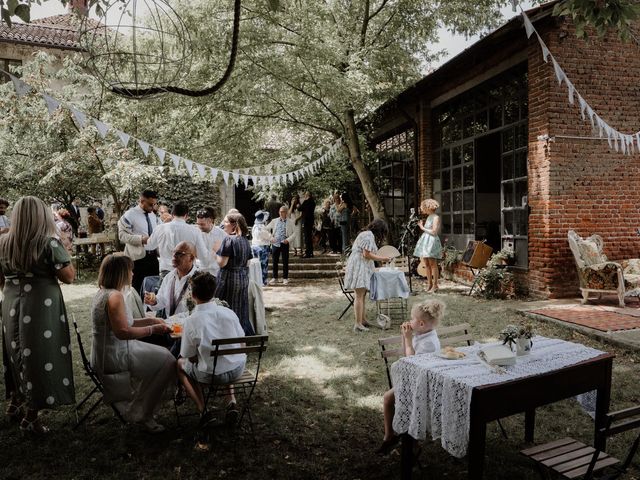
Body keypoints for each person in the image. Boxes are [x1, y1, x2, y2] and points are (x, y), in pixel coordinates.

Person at [0, 196, 76, 434]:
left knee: (15, 353)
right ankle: (31, 417)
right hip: (41, 306)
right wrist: (62, 245)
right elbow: (69, 276)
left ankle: (15, 404)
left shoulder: (2, 243)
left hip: (11, 303)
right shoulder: (48, 243)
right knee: (40, 355)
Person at [91, 253, 175, 433]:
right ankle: (144, 412)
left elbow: (126, 323)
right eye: (130, 270)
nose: (132, 274)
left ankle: (140, 407)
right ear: (121, 273)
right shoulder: (115, 297)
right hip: (114, 354)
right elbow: (123, 332)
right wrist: (154, 330)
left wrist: (152, 321)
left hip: (110, 349)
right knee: (168, 361)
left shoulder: (105, 292)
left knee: (165, 358)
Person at [177, 272, 246, 425]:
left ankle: (203, 409)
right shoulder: (229, 312)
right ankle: (231, 401)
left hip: (212, 376)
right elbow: (242, 343)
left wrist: (198, 356)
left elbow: (188, 355)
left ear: (192, 295)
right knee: (225, 355)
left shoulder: (192, 320)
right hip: (237, 369)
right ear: (214, 292)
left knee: (179, 364)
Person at [377, 299, 444, 455]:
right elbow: (405, 352)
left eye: (412, 318)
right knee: (389, 399)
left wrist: (408, 339)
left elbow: (412, 362)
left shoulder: (429, 343)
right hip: (414, 380)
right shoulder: (421, 335)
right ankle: (391, 436)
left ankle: (404, 441)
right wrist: (405, 337)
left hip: (423, 386)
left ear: (421, 324)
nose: (410, 320)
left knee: (389, 399)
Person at [343, 219, 392, 332]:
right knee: (359, 295)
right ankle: (358, 324)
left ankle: (363, 320)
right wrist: (383, 259)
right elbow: (366, 254)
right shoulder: (368, 235)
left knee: (362, 294)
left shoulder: (368, 235)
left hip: (362, 265)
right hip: (359, 265)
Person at [145, 201, 210, 277]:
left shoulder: (160, 228)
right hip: (187, 272)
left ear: (172, 215)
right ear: (186, 216)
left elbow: (149, 246)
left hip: (166, 271)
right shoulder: (195, 231)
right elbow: (203, 256)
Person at [215, 213, 254, 336]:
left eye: (225, 222)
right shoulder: (245, 240)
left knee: (227, 308)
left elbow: (221, 263)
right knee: (240, 308)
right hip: (242, 277)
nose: (223, 224)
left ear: (233, 225)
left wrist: (215, 252)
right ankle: (241, 335)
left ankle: (228, 337)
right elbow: (247, 262)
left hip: (229, 279)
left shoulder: (229, 239)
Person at [118, 189, 160, 294]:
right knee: (137, 290)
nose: (153, 207)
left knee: (153, 289)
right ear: (141, 201)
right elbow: (122, 236)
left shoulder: (153, 215)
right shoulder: (129, 215)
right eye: (150, 204)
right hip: (137, 259)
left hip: (153, 258)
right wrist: (140, 239)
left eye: (155, 204)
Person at [144, 241, 199, 319]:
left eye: (179, 254)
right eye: (173, 252)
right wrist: (153, 301)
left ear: (191, 258)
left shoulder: (200, 280)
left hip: (191, 325)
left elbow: (203, 309)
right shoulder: (169, 277)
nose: (174, 256)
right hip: (172, 325)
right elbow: (161, 300)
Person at [413, 199, 442, 293]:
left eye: (423, 208)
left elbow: (434, 232)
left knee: (433, 264)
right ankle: (429, 284)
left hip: (431, 242)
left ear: (428, 207)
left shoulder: (436, 217)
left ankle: (435, 285)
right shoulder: (429, 217)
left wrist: (422, 228)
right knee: (426, 264)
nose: (422, 210)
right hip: (426, 242)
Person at [265, 205, 296, 286]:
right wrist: (271, 237)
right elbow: (266, 229)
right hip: (275, 243)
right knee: (275, 261)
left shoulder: (290, 222)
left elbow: (294, 233)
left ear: (286, 213)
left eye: (283, 212)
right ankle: (275, 277)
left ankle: (285, 278)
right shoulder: (274, 221)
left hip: (284, 243)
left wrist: (288, 240)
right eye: (280, 212)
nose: (281, 213)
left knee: (285, 261)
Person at [196, 207, 226, 277]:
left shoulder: (222, 235)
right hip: (201, 271)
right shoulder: (196, 233)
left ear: (210, 221)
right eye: (198, 224)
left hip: (217, 273)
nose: (199, 226)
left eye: (202, 224)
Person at [251, 210, 271, 286]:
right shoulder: (262, 227)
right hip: (262, 247)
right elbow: (268, 237)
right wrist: (273, 238)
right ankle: (263, 281)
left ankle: (257, 280)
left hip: (255, 246)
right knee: (263, 265)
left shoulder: (254, 226)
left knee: (256, 264)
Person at [300, 191, 317, 258]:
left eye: (305, 195)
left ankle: (308, 253)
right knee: (309, 237)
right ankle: (311, 252)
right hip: (311, 221)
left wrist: (300, 204)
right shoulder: (313, 202)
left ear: (307, 195)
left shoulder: (306, 201)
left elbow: (300, 208)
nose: (304, 196)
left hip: (306, 221)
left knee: (307, 238)